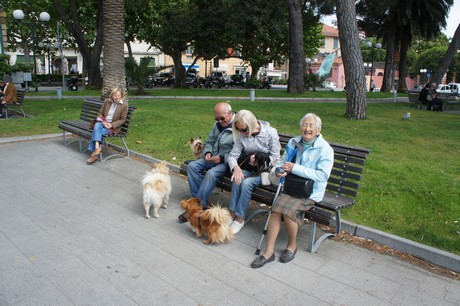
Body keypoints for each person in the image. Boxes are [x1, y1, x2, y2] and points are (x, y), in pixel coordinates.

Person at [251, 113, 334, 268]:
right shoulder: (293, 142)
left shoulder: (325, 150)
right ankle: (268, 253)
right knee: (276, 210)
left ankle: (292, 245)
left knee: (288, 211)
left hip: (310, 192)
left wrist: (296, 168)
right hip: (291, 187)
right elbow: (281, 163)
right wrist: (278, 171)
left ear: (318, 130)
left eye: (311, 126)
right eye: (305, 125)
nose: (307, 128)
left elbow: (322, 176)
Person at [178, 102, 235, 223]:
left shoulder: (238, 125)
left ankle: (194, 209)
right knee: (192, 166)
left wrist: (222, 158)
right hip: (212, 158)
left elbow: (240, 151)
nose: (219, 121)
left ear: (230, 114)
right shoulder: (217, 125)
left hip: (228, 162)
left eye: (222, 118)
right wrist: (207, 152)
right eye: (217, 118)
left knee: (211, 174)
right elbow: (210, 141)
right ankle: (202, 202)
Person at [227, 110, 281, 234]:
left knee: (246, 183)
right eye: (238, 130)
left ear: (251, 124)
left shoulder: (270, 133)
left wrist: (260, 160)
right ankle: (231, 213)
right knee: (237, 178)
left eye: (244, 130)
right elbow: (232, 156)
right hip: (249, 169)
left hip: (266, 172)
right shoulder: (241, 134)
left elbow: (277, 159)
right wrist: (236, 168)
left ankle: (239, 218)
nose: (242, 133)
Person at [86, 87, 129, 165]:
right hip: (102, 123)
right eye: (115, 95)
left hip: (112, 127)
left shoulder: (124, 105)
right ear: (112, 96)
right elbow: (100, 113)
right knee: (97, 126)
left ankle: (94, 153)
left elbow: (123, 120)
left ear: (121, 95)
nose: (116, 97)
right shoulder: (107, 101)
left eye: (118, 95)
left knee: (97, 130)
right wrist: (103, 122)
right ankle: (97, 148)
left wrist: (111, 125)